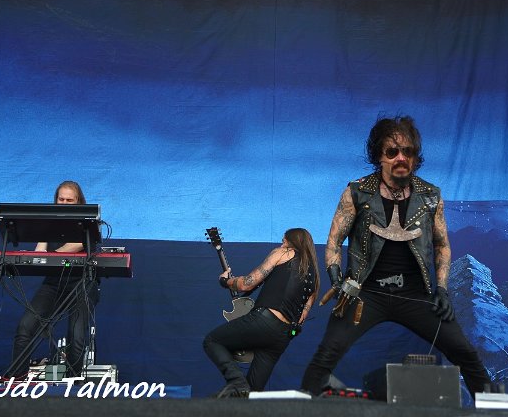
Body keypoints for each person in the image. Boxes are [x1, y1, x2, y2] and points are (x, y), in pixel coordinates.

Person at [300, 115, 492, 398]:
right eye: (392, 152)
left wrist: (441, 290)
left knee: (465, 353)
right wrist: (337, 278)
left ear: (415, 157)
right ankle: (301, 406)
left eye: (408, 152)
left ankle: (494, 409)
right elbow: (334, 242)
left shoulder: (430, 196)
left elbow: (442, 245)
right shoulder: (357, 192)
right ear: (379, 156)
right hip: (365, 293)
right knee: (326, 354)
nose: (401, 158)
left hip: (415, 294)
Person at [203, 228, 320, 397]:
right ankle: (242, 393)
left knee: (212, 341)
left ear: (291, 241)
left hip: (265, 321)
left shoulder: (283, 253)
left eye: (284, 241)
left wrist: (225, 281)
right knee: (252, 394)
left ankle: (237, 381)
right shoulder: (315, 276)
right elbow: (302, 317)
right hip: (283, 336)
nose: (282, 244)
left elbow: (246, 284)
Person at [9, 180, 99, 378]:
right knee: (25, 327)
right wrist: (45, 241)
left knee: (76, 336)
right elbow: (39, 253)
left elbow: (76, 245)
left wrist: (52, 254)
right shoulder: (48, 222)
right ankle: (17, 381)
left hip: (81, 283)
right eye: (61, 199)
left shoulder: (88, 223)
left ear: (79, 202)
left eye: (69, 200)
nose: (64, 203)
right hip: (53, 283)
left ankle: (74, 385)